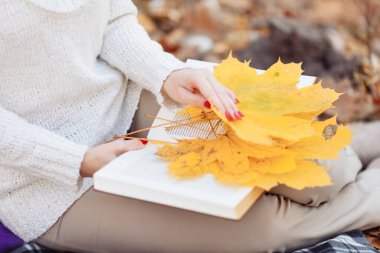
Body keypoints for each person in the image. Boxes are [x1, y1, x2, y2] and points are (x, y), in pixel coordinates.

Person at [0, 0, 379, 252]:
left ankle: (358, 147)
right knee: (263, 228)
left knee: (325, 171)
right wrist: (77, 159)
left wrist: (166, 74)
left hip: (128, 102)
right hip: (45, 183)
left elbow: (113, 19)